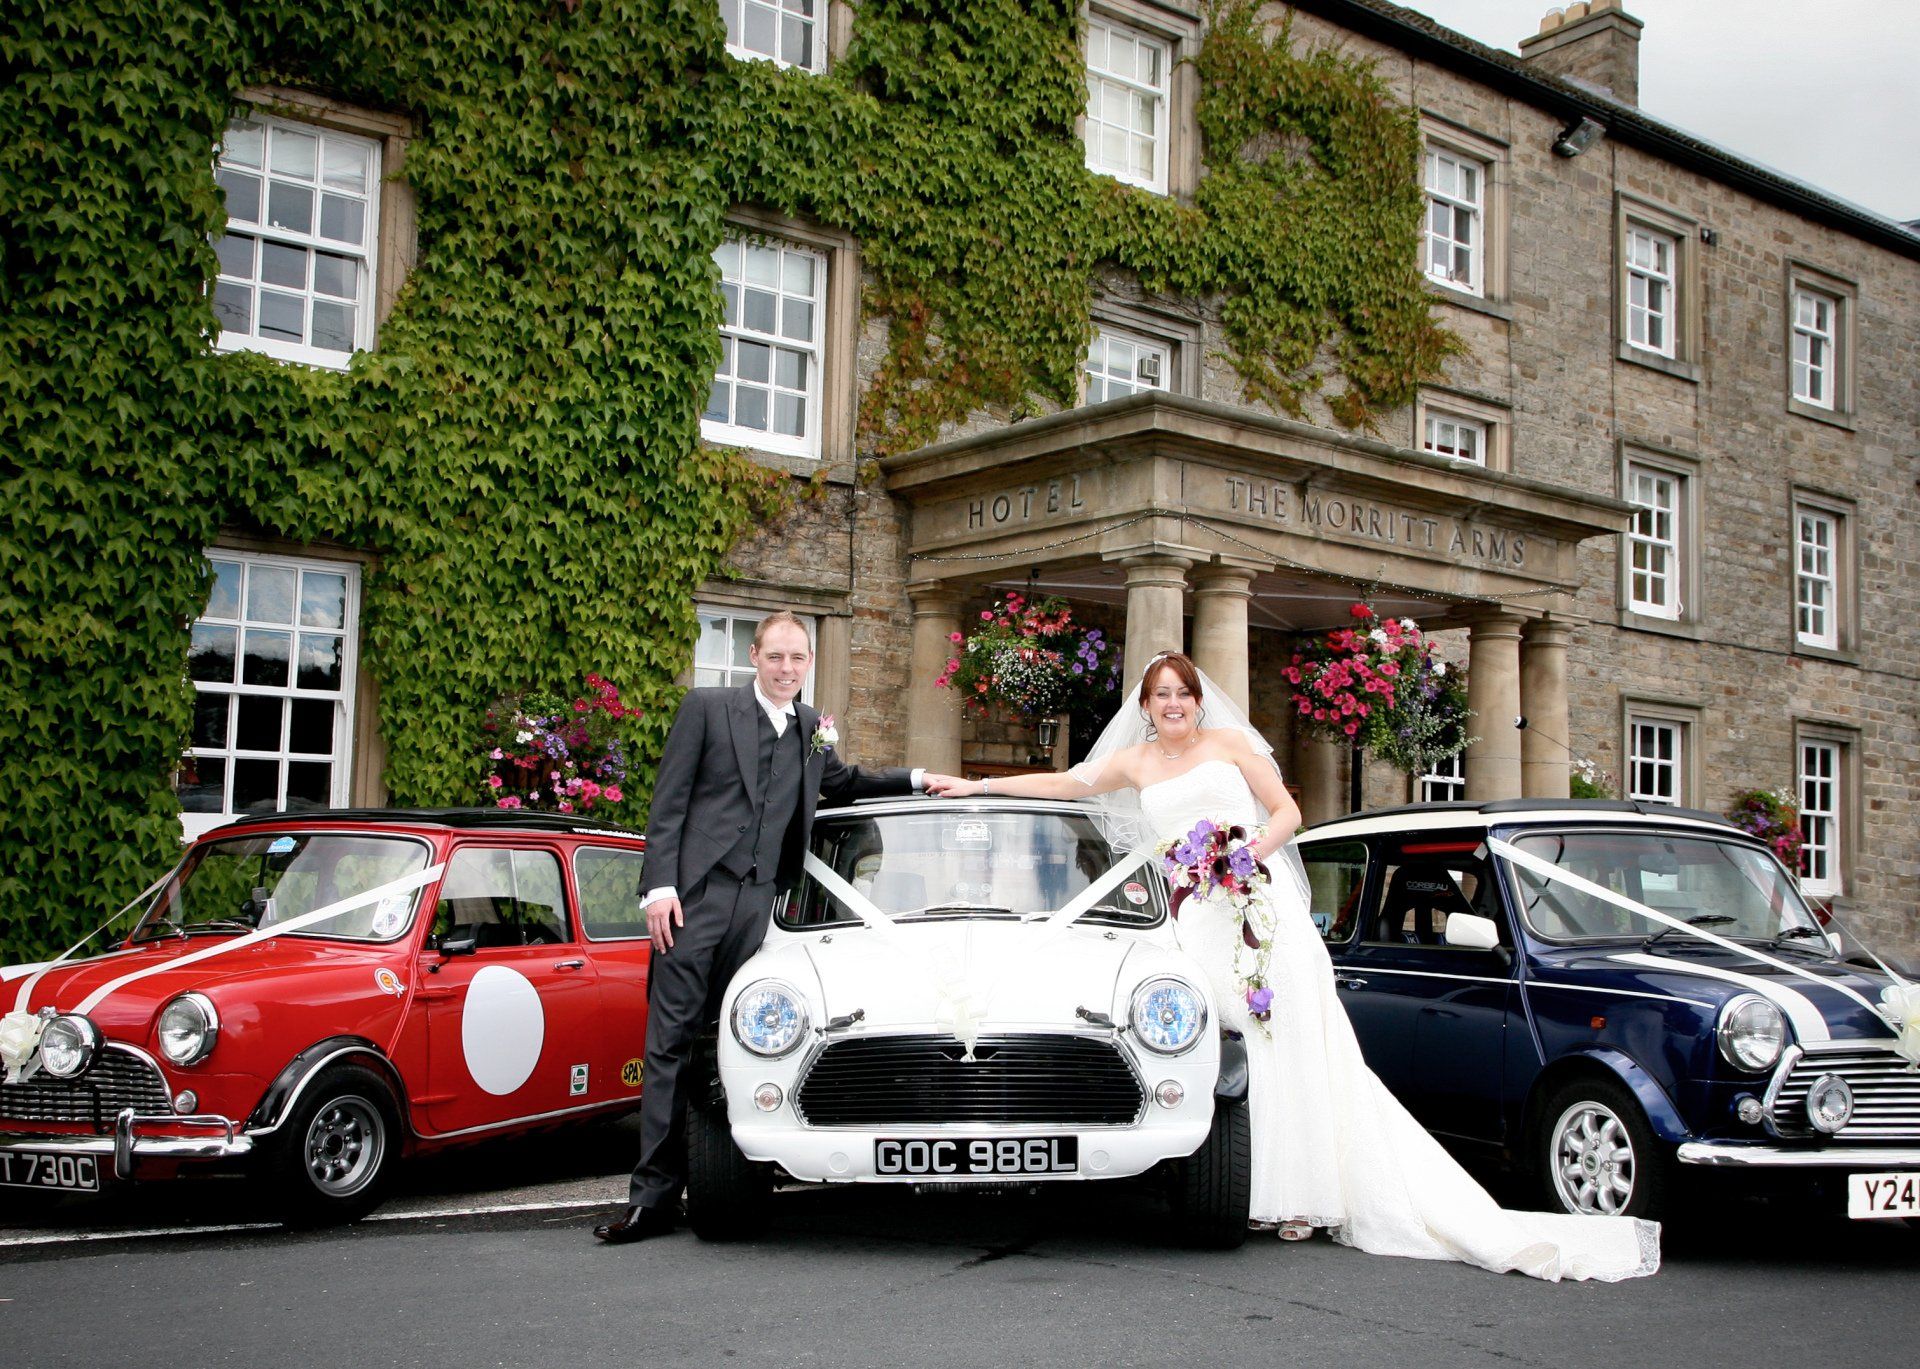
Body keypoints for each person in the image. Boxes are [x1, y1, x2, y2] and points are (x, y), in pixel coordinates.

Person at [927, 650, 1658, 1281]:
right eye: (1161, 695)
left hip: (1256, 904)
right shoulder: (1136, 760)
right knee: (1225, 1045)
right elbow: (1069, 783)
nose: (1174, 704)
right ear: (1146, 706)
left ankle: (1308, 1194)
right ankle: (1241, 1187)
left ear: (1196, 699)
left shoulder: (1231, 745)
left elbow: (1286, 813)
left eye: (1183, 692)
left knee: (1283, 1038)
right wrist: (975, 786)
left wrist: (1244, 856)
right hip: (1195, 914)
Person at [595, 612, 960, 1244]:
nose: (786, 669)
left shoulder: (813, 728)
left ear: (808, 661)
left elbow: (841, 785)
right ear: (754, 656)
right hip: (695, 898)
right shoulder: (707, 709)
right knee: (670, 1042)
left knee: (733, 1040)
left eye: (797, 659)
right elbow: (669, 801)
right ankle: (651, 1199)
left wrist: (917, 780)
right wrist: (658, 887)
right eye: (775, 657)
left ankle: (723, 1178)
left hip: (760, 903)